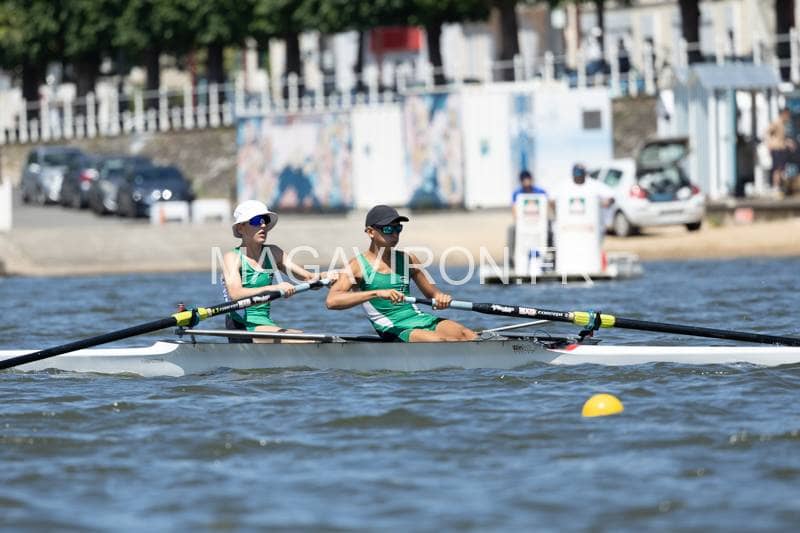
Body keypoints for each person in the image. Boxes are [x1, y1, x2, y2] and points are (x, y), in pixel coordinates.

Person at [326, 205, 476, 342]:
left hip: (419, 318)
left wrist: (441, 299)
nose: (395, 235)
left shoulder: (408, 259)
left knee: (468, 335)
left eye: (398, 229)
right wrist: (377, 293)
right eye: (388, 229)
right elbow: (332, 301)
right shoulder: (356, 266)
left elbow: (433, 295)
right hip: (393, 328)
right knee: (439, 341)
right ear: (371, 232)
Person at [221, 200, 335, 342]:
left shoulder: (273, 253)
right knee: (305, 340)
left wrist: (326, 276)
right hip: (241, 326)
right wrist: (274, 288)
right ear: (240, 228)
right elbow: (236, 294)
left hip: (265, 324)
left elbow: (308, 278)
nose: (263, 225)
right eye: (256, 221)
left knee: (304, 336)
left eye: (265, 220)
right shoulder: (232, 257)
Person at [766, 108, 797, 192]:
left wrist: (788, 143)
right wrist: (770, 144)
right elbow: (767, 132)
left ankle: (781, 186)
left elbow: (781, 138)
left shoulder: (784, 124)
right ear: (784, 114)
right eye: (787, 115)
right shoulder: (776, 123)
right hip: (776, 149)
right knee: (777, 169)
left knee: (782, 169)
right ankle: (776, 187)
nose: (788, 117)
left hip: (782, 148)